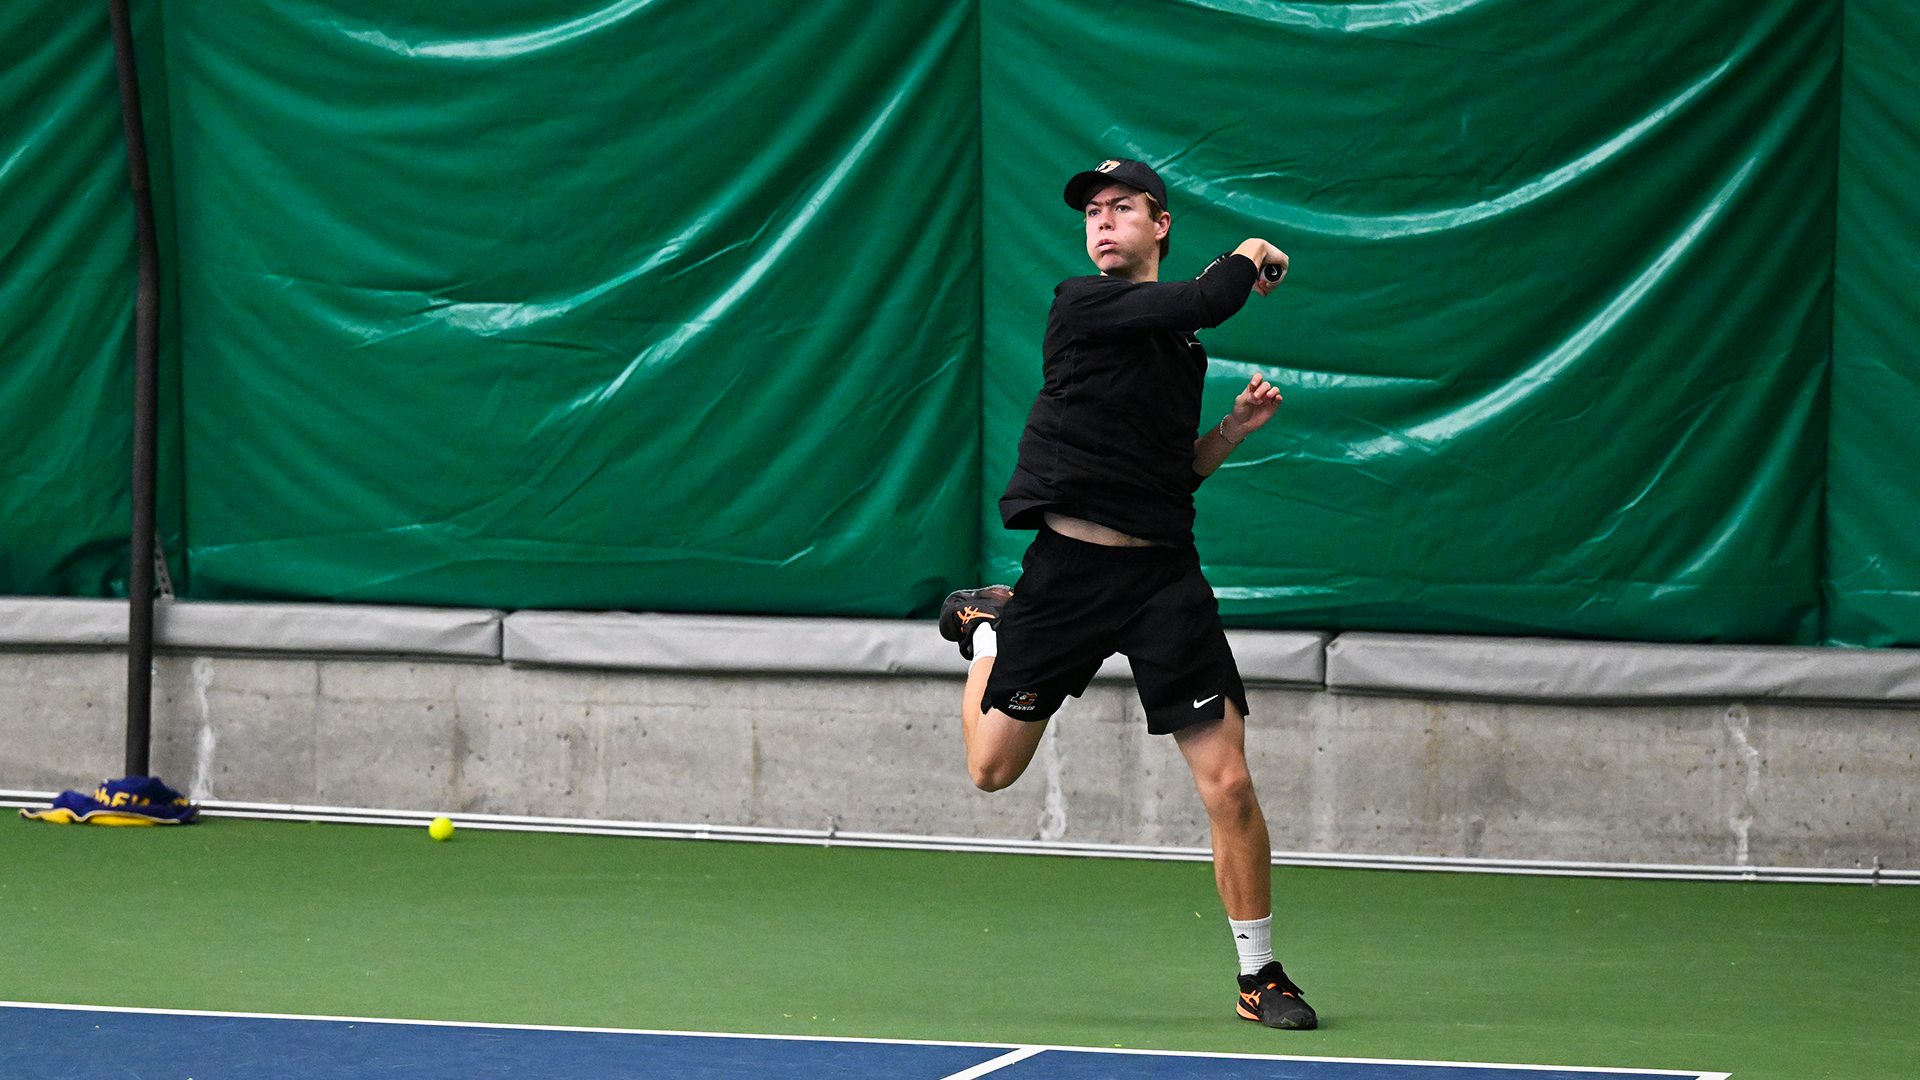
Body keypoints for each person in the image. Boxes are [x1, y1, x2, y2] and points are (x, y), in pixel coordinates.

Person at [939, 157, 1315, 1030]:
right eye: (1093, 213)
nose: (1102, 223)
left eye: (1121, 209)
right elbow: (1205, 297)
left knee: (1230, 786)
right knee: (992, 770)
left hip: (1161, 580)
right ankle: (987, 627)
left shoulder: (1182, 352)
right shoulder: (1083, 303)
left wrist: (1229, 432)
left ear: (1160, 224)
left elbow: (1170, 477)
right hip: (1067, 575)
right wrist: (1252, 246)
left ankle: (1260, 978)